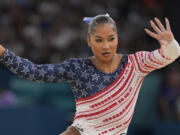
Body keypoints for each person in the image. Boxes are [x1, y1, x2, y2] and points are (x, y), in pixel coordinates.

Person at [0, 14, 180, 135]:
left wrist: (170, 43)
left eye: (111, 38)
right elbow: (34, 72)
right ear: (89, 41)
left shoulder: (135, 63)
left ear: (118, 38)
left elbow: (171, 55)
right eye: (99, 40)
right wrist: (3, 53)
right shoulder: (77, 67)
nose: (106, 46)